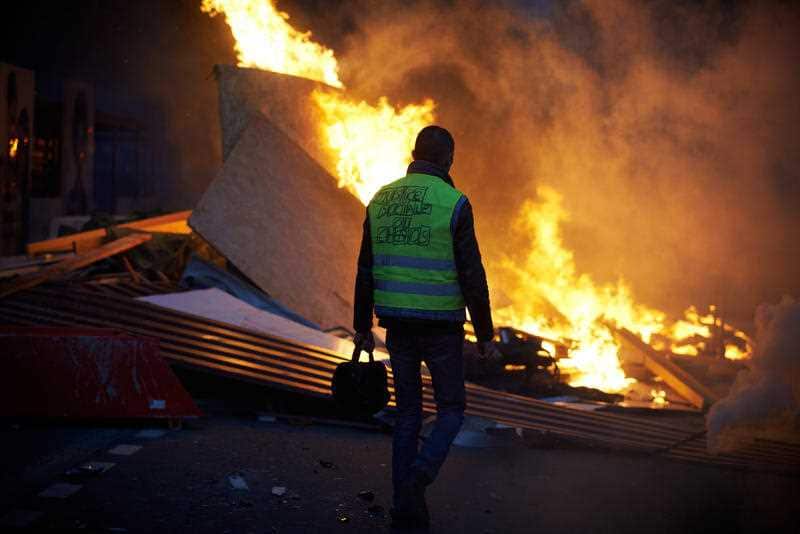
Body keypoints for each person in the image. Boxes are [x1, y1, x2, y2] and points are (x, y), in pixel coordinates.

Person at [352, 125, 501, 528]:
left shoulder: (380, 200)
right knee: (452, 408)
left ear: (414, 154)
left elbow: (365, 268)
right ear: (448, 160)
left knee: (408, 416)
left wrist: (361, 324)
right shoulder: (454, 203)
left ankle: (405, 505)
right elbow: (473, 275)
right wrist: (486, 335)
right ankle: (420, 476)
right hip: (440, 327)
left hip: (396, 325)